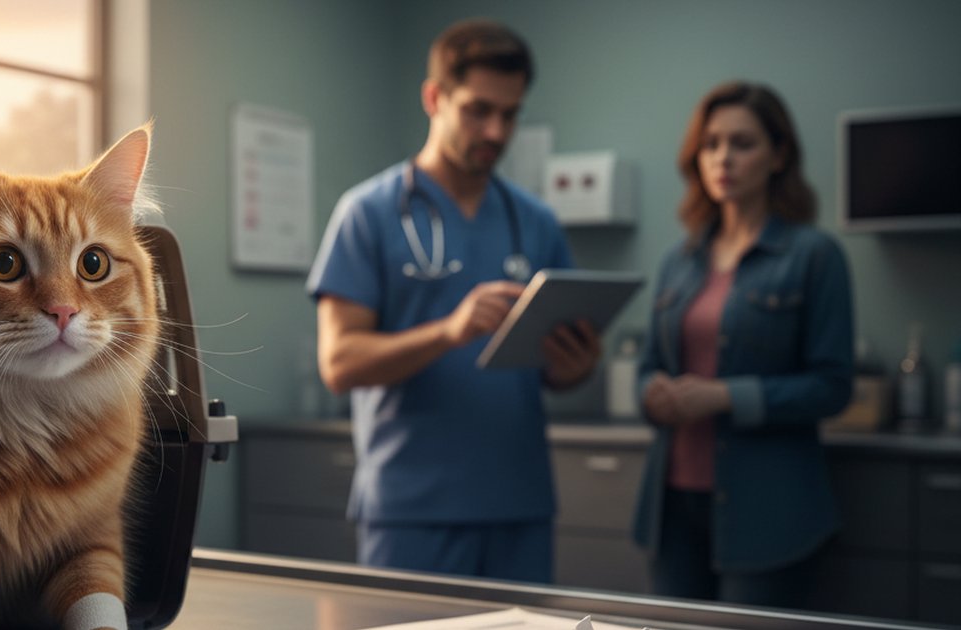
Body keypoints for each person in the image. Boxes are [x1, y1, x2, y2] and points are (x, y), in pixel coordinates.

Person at [305, 19, 601, 583]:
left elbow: (561, 373)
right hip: (412, 510)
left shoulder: (535, 223)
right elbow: (339, 364)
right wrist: (450, 330)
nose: (495, 130)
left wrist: (577, 366)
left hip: (519, 505)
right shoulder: (367, 213)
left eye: (509, 115)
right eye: (477, 110)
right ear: (434, 98)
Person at [631, 81, 854, 608]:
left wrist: (725, 396)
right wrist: (653, 394)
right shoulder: (678, 260)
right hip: (673, 506)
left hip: (768, 513)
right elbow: (649, 367)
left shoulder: (814, 256)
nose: (723, 158)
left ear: (778, 155)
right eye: (710, 144)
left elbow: (831, 387)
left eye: (742, 143)